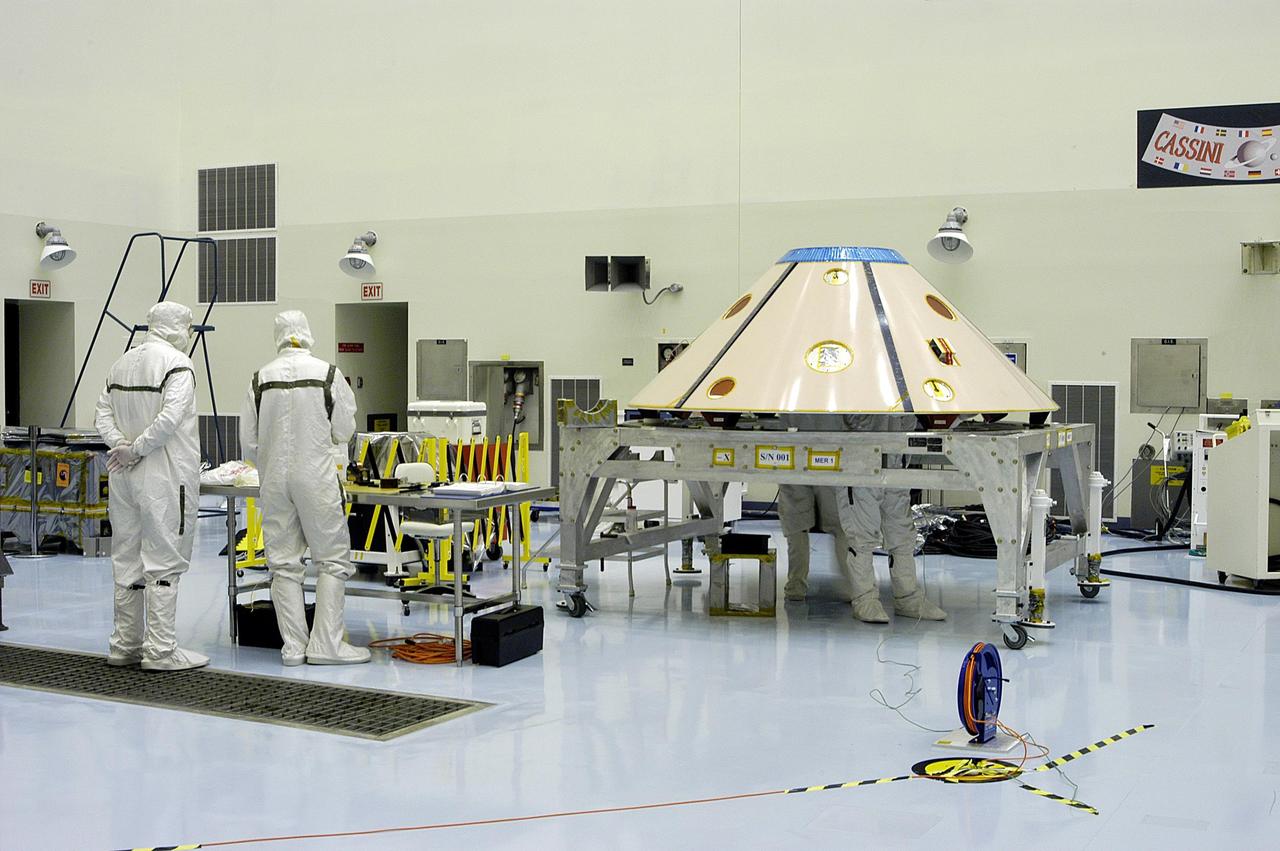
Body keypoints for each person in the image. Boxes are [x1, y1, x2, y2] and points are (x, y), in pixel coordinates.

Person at [240, 310, 368, 666]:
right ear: (307, 333)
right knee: (331, 560)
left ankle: (293, 647)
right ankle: (326, 644)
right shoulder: (327, 374)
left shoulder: (259, 379)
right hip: (316, 475)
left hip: (273, 480)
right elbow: (344, 430)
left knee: (283, 564)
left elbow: (249, 442)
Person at [94, 302, 208, 671]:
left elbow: (102, 413)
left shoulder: (120, 363)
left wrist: (121, 448)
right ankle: (160, 650)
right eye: (188, 326)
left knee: (126, 559)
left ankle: (125, 644)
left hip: (123, 476)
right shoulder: (178, 365)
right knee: (163, 561)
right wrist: (138, 449)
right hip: (163, 477)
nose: (190, 334)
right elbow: (170, 417)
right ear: (176, 327)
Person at [844, 414, 947, 622]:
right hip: (861, 457)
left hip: (896, 455)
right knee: (862, 532)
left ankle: (908, 598)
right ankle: (864, 600)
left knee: (901, 530)